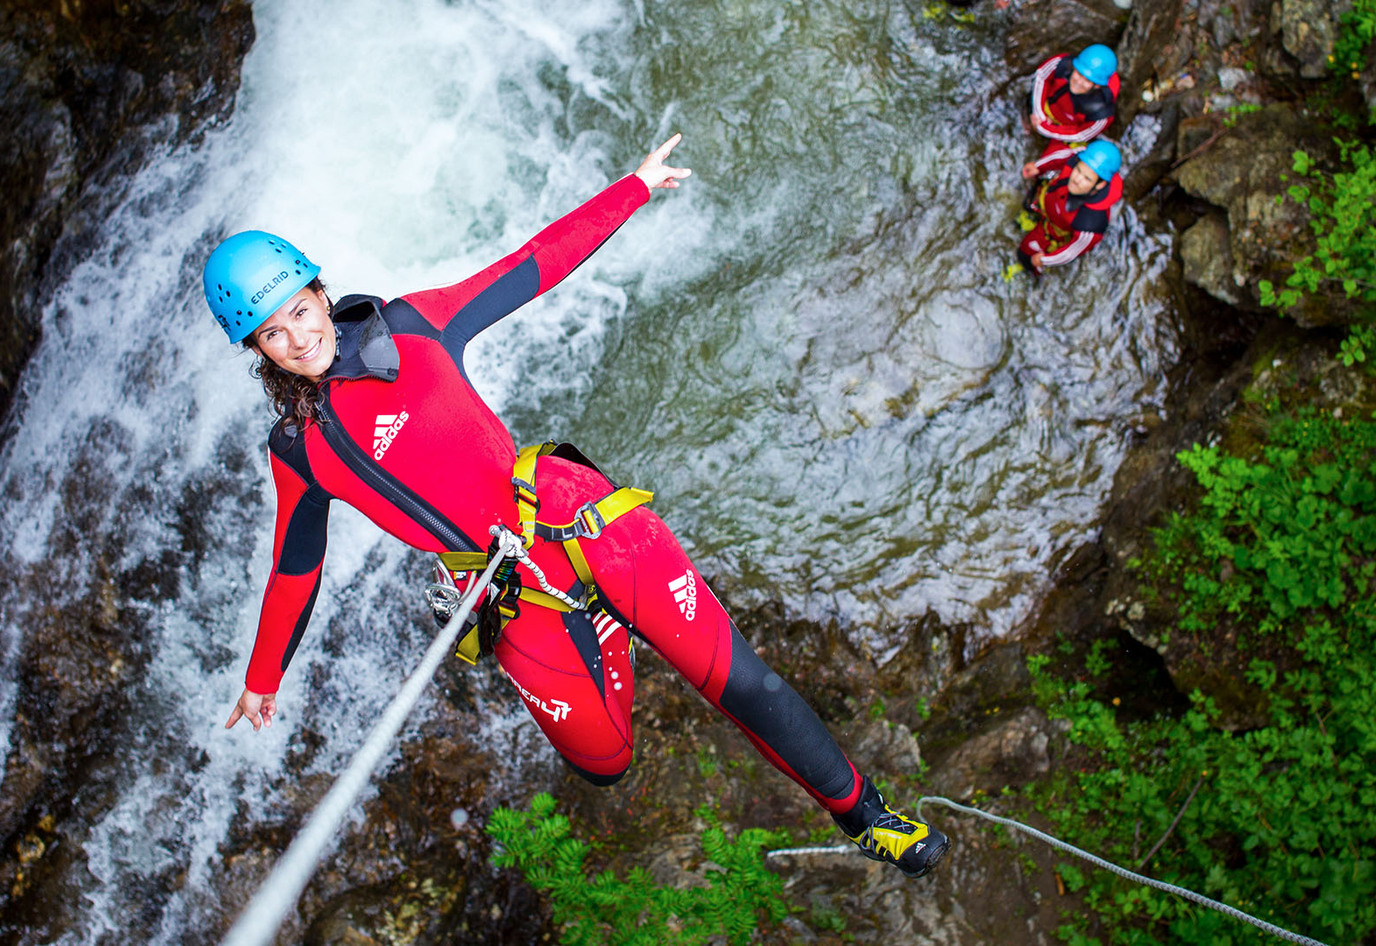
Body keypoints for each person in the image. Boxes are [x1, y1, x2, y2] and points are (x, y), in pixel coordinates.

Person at [208, 134, 949, 878]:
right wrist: (263, 677)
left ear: (320, 293)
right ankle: (609, 629)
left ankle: (867, 817)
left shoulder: (412, 325)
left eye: (301, 311)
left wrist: (633, 187)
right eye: (274, 333)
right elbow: (295, 566)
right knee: (605, 764)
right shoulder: (297, 449)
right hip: (505, 591)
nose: (299, 337)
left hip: (575, 520)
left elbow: (529, 267)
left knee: (742, 680)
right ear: (258, 349)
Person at [1017, 138, 1123, 275]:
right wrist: (1039, 166)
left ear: (1100, 185)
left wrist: (1045, 260)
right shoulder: (1079, 157)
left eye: (1087, 178)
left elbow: (1070, 252)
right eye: (1078, 171)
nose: (1076, 179)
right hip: (1047, 200)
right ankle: (1030, 218)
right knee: (1026, 208)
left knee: (1025, 256)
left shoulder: (1091, 224)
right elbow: (1062, 155)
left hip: (1054, 230)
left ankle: (1031, 272)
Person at [1029, 44, 1119, 144]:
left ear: (1097, 86)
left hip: (1067, 127)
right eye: (1079, 74)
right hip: (1048, 107)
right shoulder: (1061, 64)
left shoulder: (1101, 114)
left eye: (1087, 81)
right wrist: (1039, 115)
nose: (1079, 82)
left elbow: (1080, 135)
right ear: (1074, 67)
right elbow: (1041, 77)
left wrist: (1044, 128)